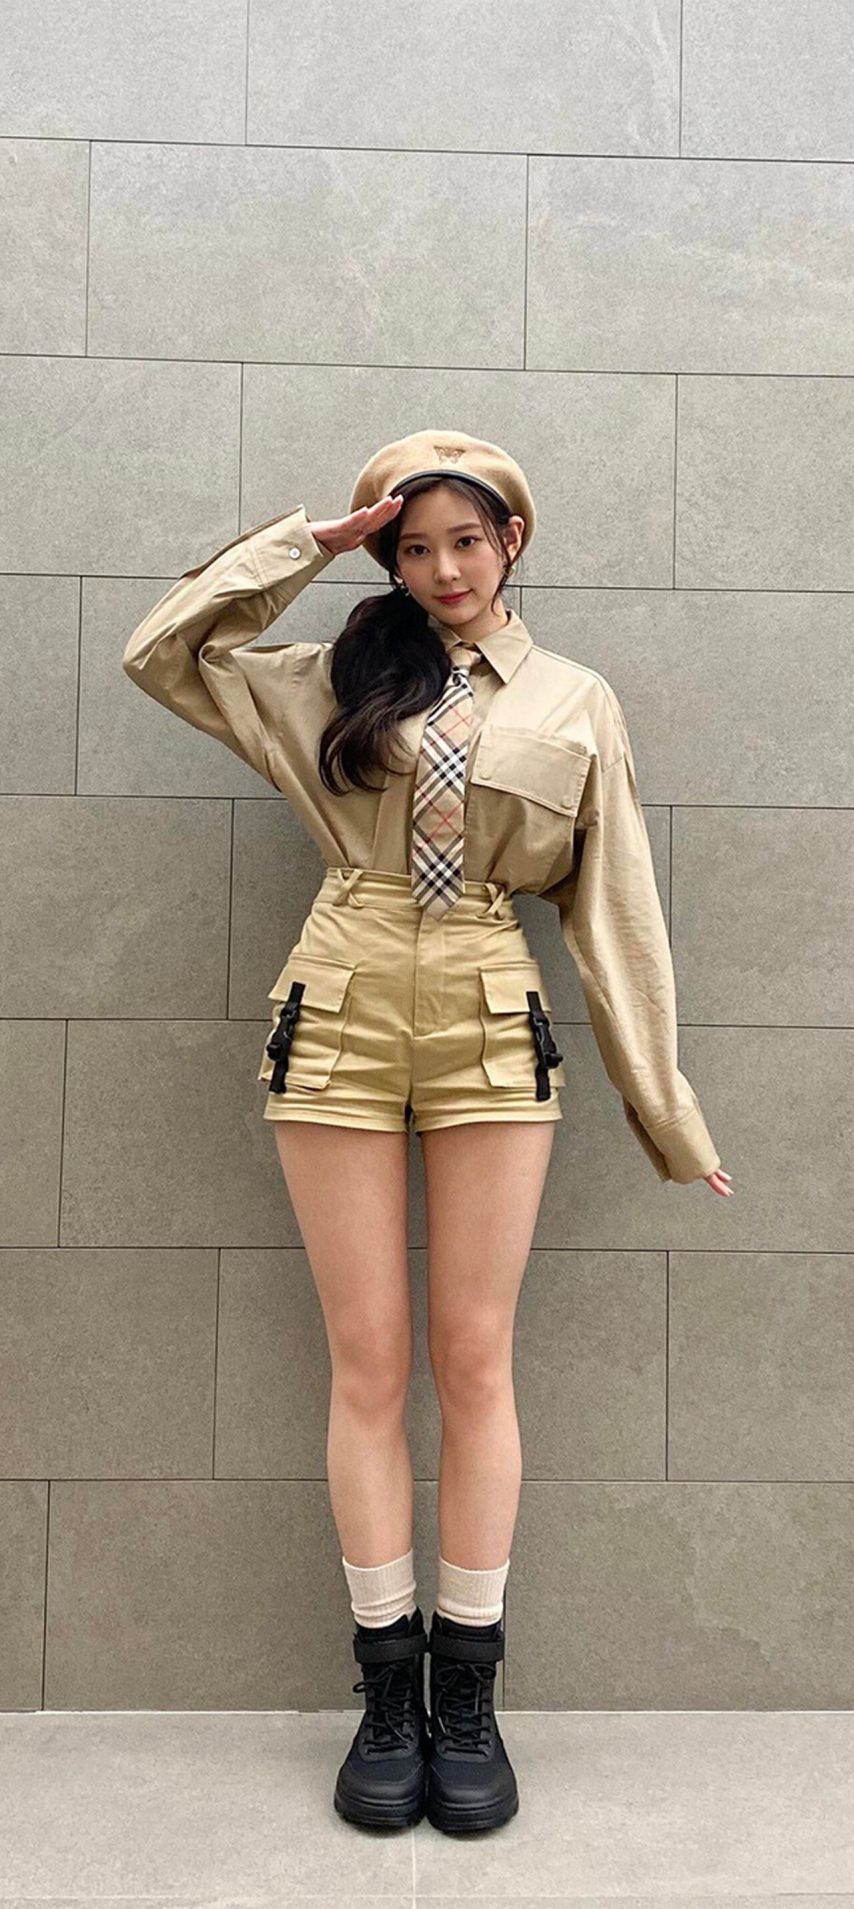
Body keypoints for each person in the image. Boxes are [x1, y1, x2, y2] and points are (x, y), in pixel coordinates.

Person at [122, 428, 734, 1838]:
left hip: (486, 1014)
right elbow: (163, 652)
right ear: (389, 557)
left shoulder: (575, 702)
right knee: (368, 1360)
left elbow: (614, 908)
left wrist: (663, 1102)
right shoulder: (335, 678)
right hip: (339, 1003)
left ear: (512, 540)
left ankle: (468, 1690)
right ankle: (385, 1689)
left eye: (466, 539)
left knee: (473, 1356)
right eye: (413, 546)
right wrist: (313, 545)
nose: (443, 569)